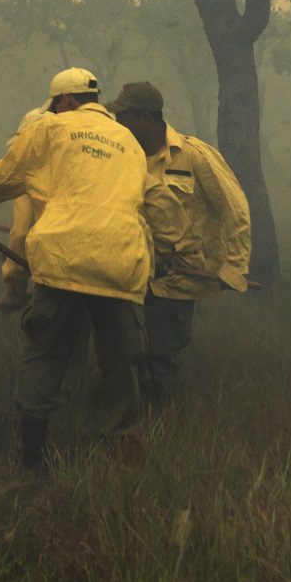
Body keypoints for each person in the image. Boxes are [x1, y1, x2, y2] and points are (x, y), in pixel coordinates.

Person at [0, 68, 184, 472]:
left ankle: (32, 459)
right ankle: (118, 454)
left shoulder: (49, 130)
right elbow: (157, 204)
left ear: (62, 101)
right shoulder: (129, 144)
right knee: (120, 364)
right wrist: (166, 250)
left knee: (45, 354)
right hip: (121, 265)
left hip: (63, 260)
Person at [105, 80, 251, 409]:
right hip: (134, 276)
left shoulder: (193, 156)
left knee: (162, 354)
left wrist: (234, 268)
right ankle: (138, 419)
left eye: (123, 117)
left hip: (179, 279)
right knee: (130, 353)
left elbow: (235, 212)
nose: (117, 124)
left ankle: (166, 425)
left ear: (144, 118)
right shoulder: (122, 158)